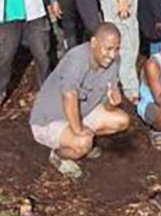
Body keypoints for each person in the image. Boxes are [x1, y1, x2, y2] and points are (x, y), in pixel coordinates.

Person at [29, 23, 130, 179]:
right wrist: (78, 130)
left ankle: (77, 139)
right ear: (94, 43)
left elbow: (106, 107)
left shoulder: (113, 61)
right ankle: (59, 155)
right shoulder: (78, 57)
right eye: (108, 48)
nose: (112, 55)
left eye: (116, 49)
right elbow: (69, 95)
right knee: (82, 142)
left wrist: (112, 103)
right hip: (49, 120)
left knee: (122, 120)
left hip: (81, 112)